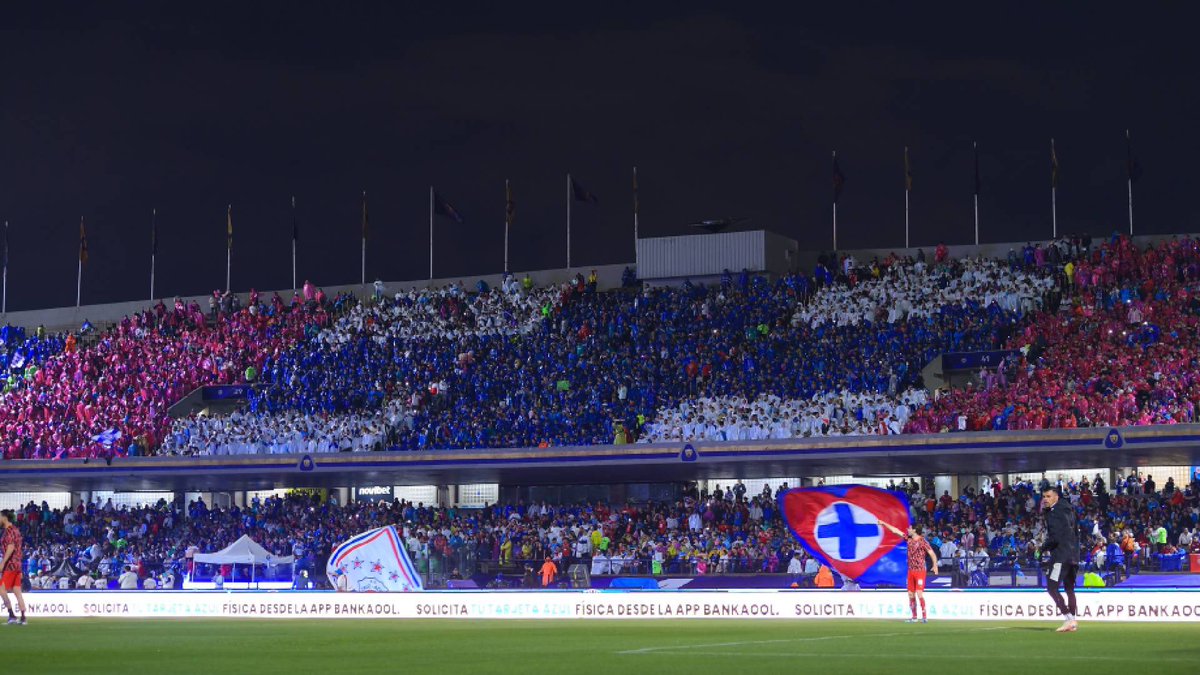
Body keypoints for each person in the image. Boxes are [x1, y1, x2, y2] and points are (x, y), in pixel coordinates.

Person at [879, 520, 937, 623]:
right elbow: (895, 531)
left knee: (919, 593)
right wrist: (883, 523)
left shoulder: (923, 541)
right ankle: (914, 617)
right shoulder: (908, 539)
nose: (908, 529)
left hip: (920, 571)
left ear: (914, 530)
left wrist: (935, 565)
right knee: (910, 594)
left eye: (909, 528)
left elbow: (932, 554)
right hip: (911, 571)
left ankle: (924, 616)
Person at [1040, 486, 1080, 633]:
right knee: (1069, 588)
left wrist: (1042, 548)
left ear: (1056, 497)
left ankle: (1068, 619)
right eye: (1044, 496)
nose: (1045, 499)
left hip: (1061, 556)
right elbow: (1075, 532)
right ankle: (1073, 621)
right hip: (1073, 555)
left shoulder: (1054, 513)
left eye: (1048, 496)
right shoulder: (1069, 510)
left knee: (1052, 588)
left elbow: (1055, 537)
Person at [0, 510, 26, 625]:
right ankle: (23, 618)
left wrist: (3, 563)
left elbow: (10, 547)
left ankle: (11, 615)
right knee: (17, 591)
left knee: (1, 589)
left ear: (4, 518)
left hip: (10, 564)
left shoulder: (9, 531)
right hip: (17, 564)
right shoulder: (16, 530)